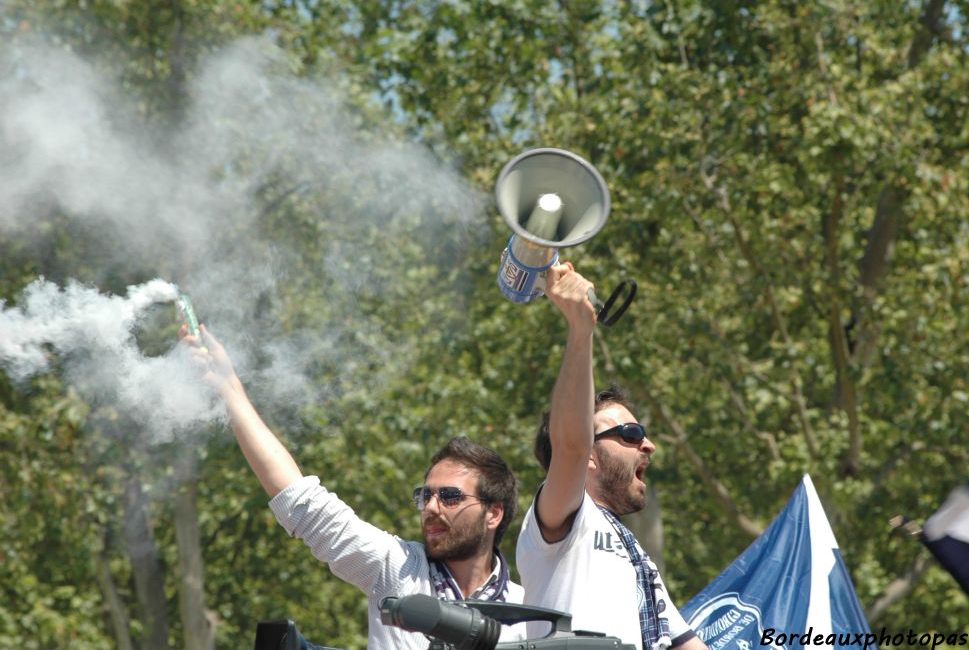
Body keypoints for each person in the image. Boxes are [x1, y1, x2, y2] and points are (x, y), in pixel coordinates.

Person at [181, 326, 525, 649]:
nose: (432, 507)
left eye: (449, 496)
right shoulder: (398, 567)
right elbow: (304, 504)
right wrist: (229, 389)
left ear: (493, 513)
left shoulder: (528, 612)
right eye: (425, 495)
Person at [515, 262, 708, 650]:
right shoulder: (567, 519)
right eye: (631, 434)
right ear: (589, 455)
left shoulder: (638, 560)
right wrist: (580, 330)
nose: (648, 445)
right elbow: (569, 445)